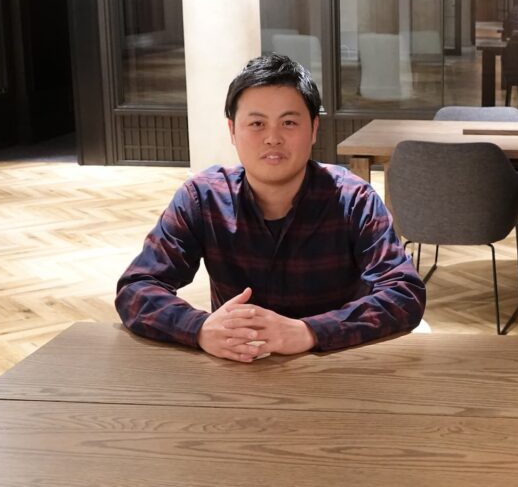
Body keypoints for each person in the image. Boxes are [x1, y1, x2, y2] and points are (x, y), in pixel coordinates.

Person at [116, 54, 425, 362]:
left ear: (314, 128)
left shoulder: (354, 199)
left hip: (333, 366)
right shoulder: (203, 197)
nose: (273, 138)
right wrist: (199, 327)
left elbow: (404, 293)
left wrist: (309, 331)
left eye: (289, 122)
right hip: (236, 367)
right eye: (257, 124)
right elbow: (137, 287)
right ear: (232, 130)